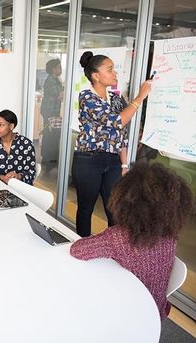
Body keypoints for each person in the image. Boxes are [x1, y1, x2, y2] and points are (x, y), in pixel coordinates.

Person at [70, 163, 194, 320]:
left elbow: (77, 250)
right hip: (156, 311)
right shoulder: (170, 237)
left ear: (125, 202)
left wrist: (105, 235)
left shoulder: (118, 237)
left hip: (127, 315)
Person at [72, 51, 152, 237]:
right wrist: (140, 97)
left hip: (113, 161)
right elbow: (117, 121)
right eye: (110, 69)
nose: (115, 73)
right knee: (86, 208)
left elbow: (120, 133)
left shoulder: (116, 98)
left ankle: (114, 248)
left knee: (114, 210)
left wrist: (124, 164)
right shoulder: (87, 98)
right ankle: (82, 245)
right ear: (96, 76)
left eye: (114, 69)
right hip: (88, 160)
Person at [0, 109, 36, 185]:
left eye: (1, 125)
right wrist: (3, 178)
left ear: (11, 126)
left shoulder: (26, 144)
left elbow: (31, 172)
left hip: (21, 188)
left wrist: (18, 176)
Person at [40, 58, 64, 174]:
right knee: (49, 134)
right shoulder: (51, 80)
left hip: (53, 110)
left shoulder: (56, 80)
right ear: (53, 69)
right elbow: (59, 95)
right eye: (59, 67)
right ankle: (47, 160)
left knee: (51, 134)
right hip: (49, 111)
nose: (61, 69)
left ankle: (49, 160)